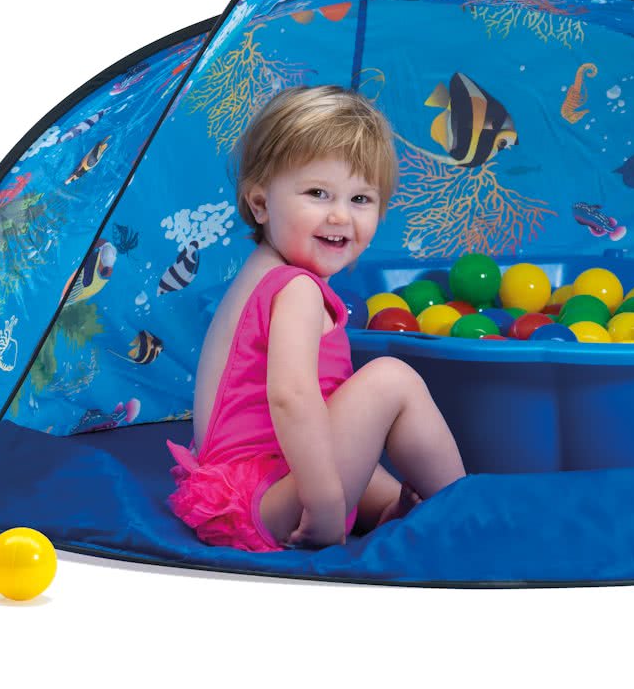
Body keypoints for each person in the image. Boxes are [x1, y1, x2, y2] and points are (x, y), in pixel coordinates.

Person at [166, 85, 466, 551]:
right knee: (392, 379)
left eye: (361, 199)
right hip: (267, 500)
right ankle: (464, 508)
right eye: (318, 193)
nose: (341, 216)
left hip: (237, 492)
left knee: (347, 428)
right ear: (261, 204)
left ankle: (392, 509)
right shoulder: (297, 289)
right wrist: (324, 501)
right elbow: (291, 398)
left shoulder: (259, 272)